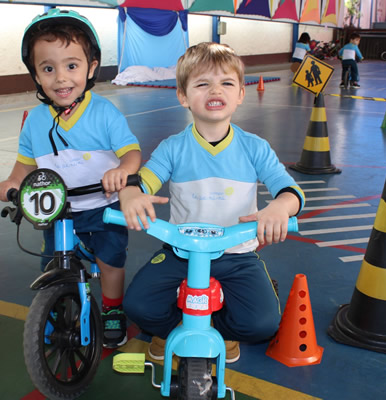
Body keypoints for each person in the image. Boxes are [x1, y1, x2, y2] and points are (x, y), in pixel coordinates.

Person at [118, 42, 306, 363]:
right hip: (181, 253)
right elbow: (144, 179)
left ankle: (221, 332)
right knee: (137, 305)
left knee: (261, 323)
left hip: (236, 255)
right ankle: (172, 329)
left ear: (241, 94)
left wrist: (279, 207)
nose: (214, 90)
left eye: (226, 83)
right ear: (183, 96)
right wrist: (132, 192)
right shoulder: (172, 147)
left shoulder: (254, 148)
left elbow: (290, 191)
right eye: (202, 83)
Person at [0, 8, 141, 349]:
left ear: (91, 68)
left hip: (102, 206)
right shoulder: (34, 121)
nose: (61, 78)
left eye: (71, 66)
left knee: (110, 260)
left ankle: (113, 308)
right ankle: (57, 305)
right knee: (53, 261)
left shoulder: (104, 112)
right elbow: (24, 167)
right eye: (48, 68)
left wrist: (123, 171)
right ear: (36, 75)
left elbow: (131, 154)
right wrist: (11, 184)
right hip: (58, 211)